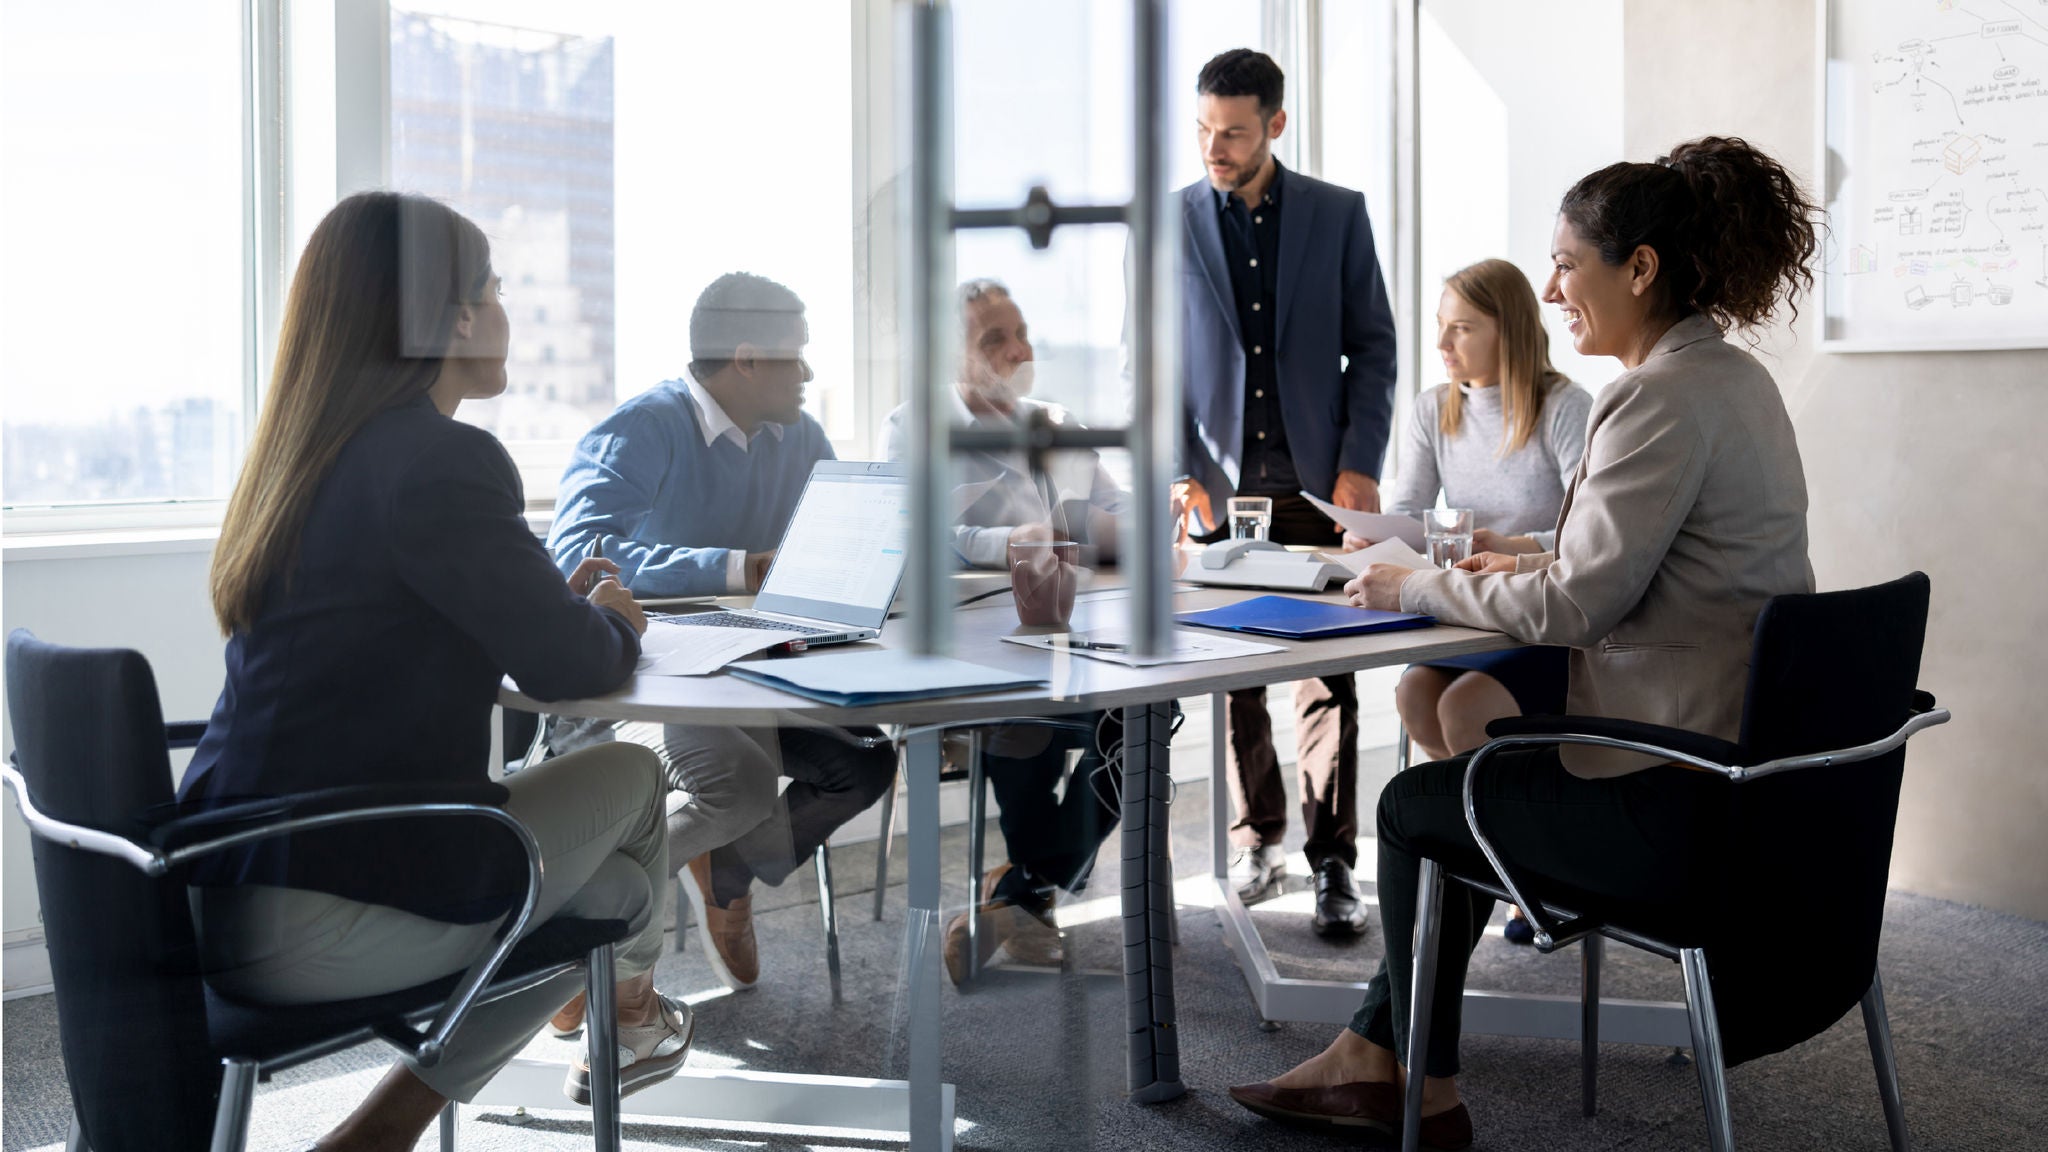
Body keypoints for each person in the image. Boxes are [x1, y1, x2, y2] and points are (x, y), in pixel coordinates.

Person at [1228, 136, 1820, 1149]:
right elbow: (1616, 566)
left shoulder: (1652, 397)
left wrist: (1417, 583)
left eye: (1564, 263)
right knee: (1469, 777)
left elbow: (1580, 605)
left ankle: (1409, 1078)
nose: (1549, 289)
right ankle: (1382, 1058)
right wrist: (1511, 565)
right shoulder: (1729, 379)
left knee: (1419, 801)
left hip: (1674, 791)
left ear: (1637, 268)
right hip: (1745, 778)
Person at [177, 191, 688, 1152]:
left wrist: (551, 605)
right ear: (450, 316)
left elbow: (424, 630)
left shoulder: (304, 457)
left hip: (229, 889)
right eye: (493, 290)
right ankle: (610, 1025)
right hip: (329, 913)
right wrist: (611, 618)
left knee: (617, 887)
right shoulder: (441, 461)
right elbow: (568, 664)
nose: (504, 314)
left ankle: (598, 1028)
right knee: (634, 790)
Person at [544, 273, 895, 999]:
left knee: (864, 761)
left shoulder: (798, 435)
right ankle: (576, 939)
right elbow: (577, 555)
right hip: (650, 680)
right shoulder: (644, 426)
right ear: (746, 359)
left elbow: (867, 529)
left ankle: (728, 874)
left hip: (753, 673)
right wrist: (736, 567)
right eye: (795, 356)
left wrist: (992, 542)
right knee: (738, 784)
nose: (806, 373)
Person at [1174, 48, 1399, 936]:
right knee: (1236, 673)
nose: (1213, 146)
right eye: (1203, 129)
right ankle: (1255, 837)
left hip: (1318, 479)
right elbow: (1144, 367)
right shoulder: (1169, 224)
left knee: (1326, 672)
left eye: (1231, 130)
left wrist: (1361, 459)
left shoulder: (1339, 215)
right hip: (1219, 489)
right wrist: (1173, 472)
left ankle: (1334, 858)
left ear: (1274, 124)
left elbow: (1374, 346)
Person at [882, 279, 1127, 982]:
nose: (1018, 350)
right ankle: (1029, 899)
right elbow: (917, 530)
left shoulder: (1057, 420)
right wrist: (1010, 539)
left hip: (1076, 629)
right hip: (979, 643)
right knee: (1025, 721)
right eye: (995, 339)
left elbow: (1110, 512)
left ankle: (1020, 891)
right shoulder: (914, 425)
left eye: (1021, 333)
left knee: (1148, 723)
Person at [1375, 258, 1593, 944]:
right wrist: (1378, 535)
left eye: (1462, 328)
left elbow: (1588, 531)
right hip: (1468, 611)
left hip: (1541, 614)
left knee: (1465, 709)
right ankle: (1491, 866)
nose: (1443, 344)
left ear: (1512, 330)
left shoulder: (1566, 407)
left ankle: (1528, 872)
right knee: (1416, 696)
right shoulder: (1433, 407)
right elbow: (1405, 511)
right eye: (1441, 327)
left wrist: (1506, 539)